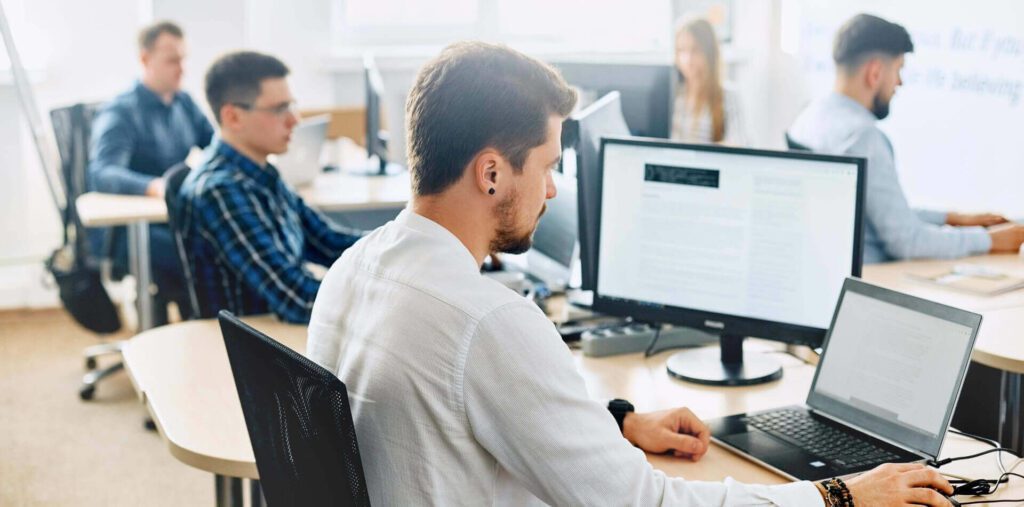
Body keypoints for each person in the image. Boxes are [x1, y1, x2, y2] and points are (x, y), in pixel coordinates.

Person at [306, 41, 953, 505]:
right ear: (492, 171)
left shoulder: (355, 267)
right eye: (549, 165)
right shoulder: (489, 320)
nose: (554, 189)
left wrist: (613, 422)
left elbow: (464, 408)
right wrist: (837, 494)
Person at [789, 14, 1024, 264]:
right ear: (875, 72)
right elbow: (906, 241)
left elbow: (877, 216)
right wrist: (990, 240)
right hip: (877, 276)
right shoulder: (861, 137)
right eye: (898, 70)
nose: (899, 83)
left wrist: (951, 218)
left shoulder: (808, 119)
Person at [177, 52, 362, 324]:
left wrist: (403, 245)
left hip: (278, 333)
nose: (294, 120)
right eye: (279, 109)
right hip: (252, 349)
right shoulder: (220, 191)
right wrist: (384, 298)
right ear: (233, 117)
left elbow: (329, 242)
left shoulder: (264, 174)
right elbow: (298, 300)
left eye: (292, 106)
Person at [88, 20, 214, 323]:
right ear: (145, 60)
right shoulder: (121, 111)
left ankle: (203, 332)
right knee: (200, 255)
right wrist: (154, 187)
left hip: (173, 218)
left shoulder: (184, 103)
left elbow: (215, 148)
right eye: (173, 60)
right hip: (130, 231)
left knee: (218, 241)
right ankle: (191, 333)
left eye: (184, 59)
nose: (181, 68)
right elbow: (101, 172)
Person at [672, 17, 747, 145]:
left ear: (709, 53)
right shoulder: (678, 94)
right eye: (681, 50)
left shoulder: (728, 96)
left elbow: (738, 143)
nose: (687, 59)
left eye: (695, 50)